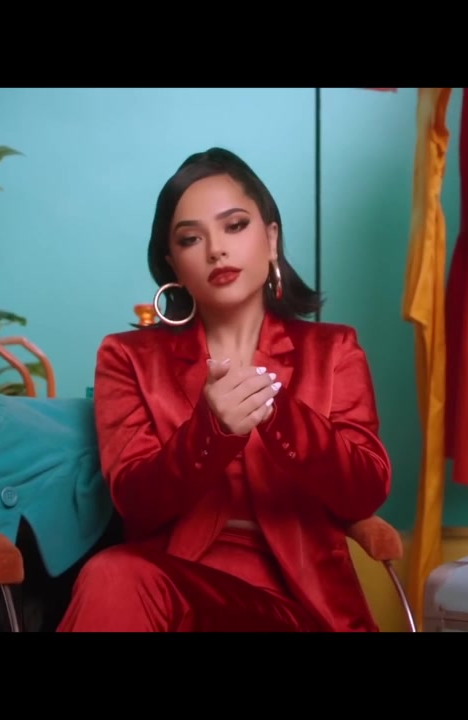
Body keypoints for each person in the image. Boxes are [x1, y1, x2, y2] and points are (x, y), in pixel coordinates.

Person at [56, 147, 393, 632]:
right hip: (168, 596)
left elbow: (365, 492)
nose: (216, 249)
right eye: (191, 238)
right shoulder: (128, 357)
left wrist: (277, 413)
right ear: (173, 264)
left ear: (271, 239)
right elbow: (136, 502)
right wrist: (211, 432)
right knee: (113, 573)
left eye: (235, 226)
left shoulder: (334, 349)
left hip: (297, 610)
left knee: (116, 576)